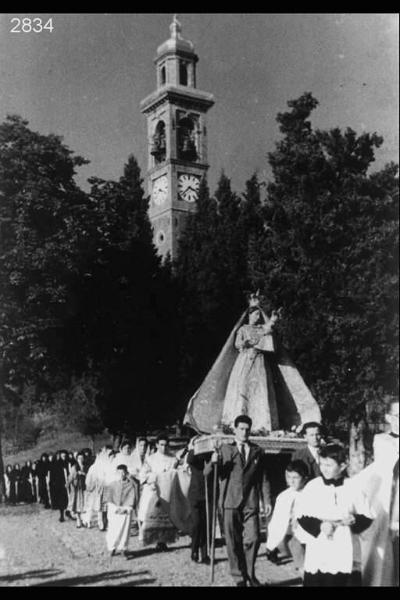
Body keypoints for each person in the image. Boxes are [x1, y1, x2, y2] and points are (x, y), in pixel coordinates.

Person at [296, 443, 373, 587]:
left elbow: (368, 515)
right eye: (322, 464)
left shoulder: (353, 486)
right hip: (320, 543)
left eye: (329, 465)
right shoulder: (313, 486)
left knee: (342, 579)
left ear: (343, 465)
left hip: (344, 543)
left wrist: (354, 520)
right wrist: (319, 526)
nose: (324, 468)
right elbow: (301, 515)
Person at [209, 414, 272, 586]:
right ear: (235, 430)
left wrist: (266, 500)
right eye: (241, 429)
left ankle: (250, 574)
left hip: (250, 501)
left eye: (247, 429)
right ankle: (239, 577)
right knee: (233, 541)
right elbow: (210, 473)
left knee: (253, 539)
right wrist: (214, 462)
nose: (244, 432)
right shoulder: (224, 449)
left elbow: (263, 478)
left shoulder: (258, 451)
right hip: (230, 502)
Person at [354, 399, 399, 586]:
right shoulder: (382, 440)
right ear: (389, 417)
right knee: (385, 561)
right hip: (389, 504)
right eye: (398, 415)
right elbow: (385, 468)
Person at [221, 306, 281, 434]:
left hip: (259, 361)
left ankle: (261, 426)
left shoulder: (260, 329)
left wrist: (273, 319)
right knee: (242, 389)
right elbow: (237, 344)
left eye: (259, 315)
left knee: (260, 389)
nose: (257, 317)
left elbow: (268, 328)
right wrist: (246, 343)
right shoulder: (243, 329)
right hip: (245, 360)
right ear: (249, 315)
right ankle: (238, 424)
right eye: (255, 314)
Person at [265, 460, 308, 572]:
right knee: (297, 550)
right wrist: (271, 545)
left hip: (312, 536)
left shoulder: (312, 492)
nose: (291, 481)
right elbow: (276, 523)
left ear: (305, 478)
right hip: (294, 537)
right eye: (289, 477)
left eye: (295, 478)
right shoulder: (284, 497)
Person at [138, 433, 178, 551]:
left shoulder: (173, 459)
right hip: (153, 490)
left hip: (166, 490)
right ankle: (150, 538)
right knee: (151, 514)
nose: (163, 448)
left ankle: (163, 541)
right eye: (161, 445)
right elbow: (143, 474)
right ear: (156, 445)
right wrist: (154, 477)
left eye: (166, 445)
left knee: (165, 516)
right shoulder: (150, 459)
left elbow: (175, 473)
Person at [186, 436, 213, 564]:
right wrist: (193, 446)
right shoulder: (193, 456)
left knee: (206, 525)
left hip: (208, 494)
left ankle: (205, 553)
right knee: (197, 524)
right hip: (195, 495)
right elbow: (190, 458)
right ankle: (194, 549)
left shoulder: (211, 455)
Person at [105, 464, 137, 558]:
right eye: (119, 472)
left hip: (125, 511)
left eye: (123, 473)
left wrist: (126, 508)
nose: (121, 474)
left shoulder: (130, 485)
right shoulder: (112, 484)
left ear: (126, 473)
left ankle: (123, 548)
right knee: (113, 530)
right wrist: (115, 508)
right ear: (116, 473)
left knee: (125, 530)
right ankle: (112, 548)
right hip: (114, 511)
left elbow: (132, 498)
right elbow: (109, 499)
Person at [67, 453, 87, 528]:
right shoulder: (74, 467)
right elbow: (71, 477)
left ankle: (84, 520)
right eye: (79, 458)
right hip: (77, 488)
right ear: (76, 459)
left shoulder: (85, 466)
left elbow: (89, 475)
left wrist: (83, 473)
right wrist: (68, 483)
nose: (80, 459)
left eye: (82, 458)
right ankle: (78, 520)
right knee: (78, 505)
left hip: (85, 488)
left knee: (84, 505)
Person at [51, 449, 70, 522]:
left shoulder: (67, 462)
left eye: (65, 456)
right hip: (60, 486)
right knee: (61, 501)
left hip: (68, 483)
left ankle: (68, 512)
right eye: (62, 456)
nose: (64, 457)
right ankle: (62, 515)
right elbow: (54, 476)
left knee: (68, 499)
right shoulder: (56, 464)